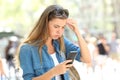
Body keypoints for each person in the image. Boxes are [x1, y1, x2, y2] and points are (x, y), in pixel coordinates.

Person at [16, 5, 91, 80]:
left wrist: (77, 31)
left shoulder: (61, 42)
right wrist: (54, 72)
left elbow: (86, 59)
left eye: (63, 27)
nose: (59, 31)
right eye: (56, 26)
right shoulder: (27, 49)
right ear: (45, 24)